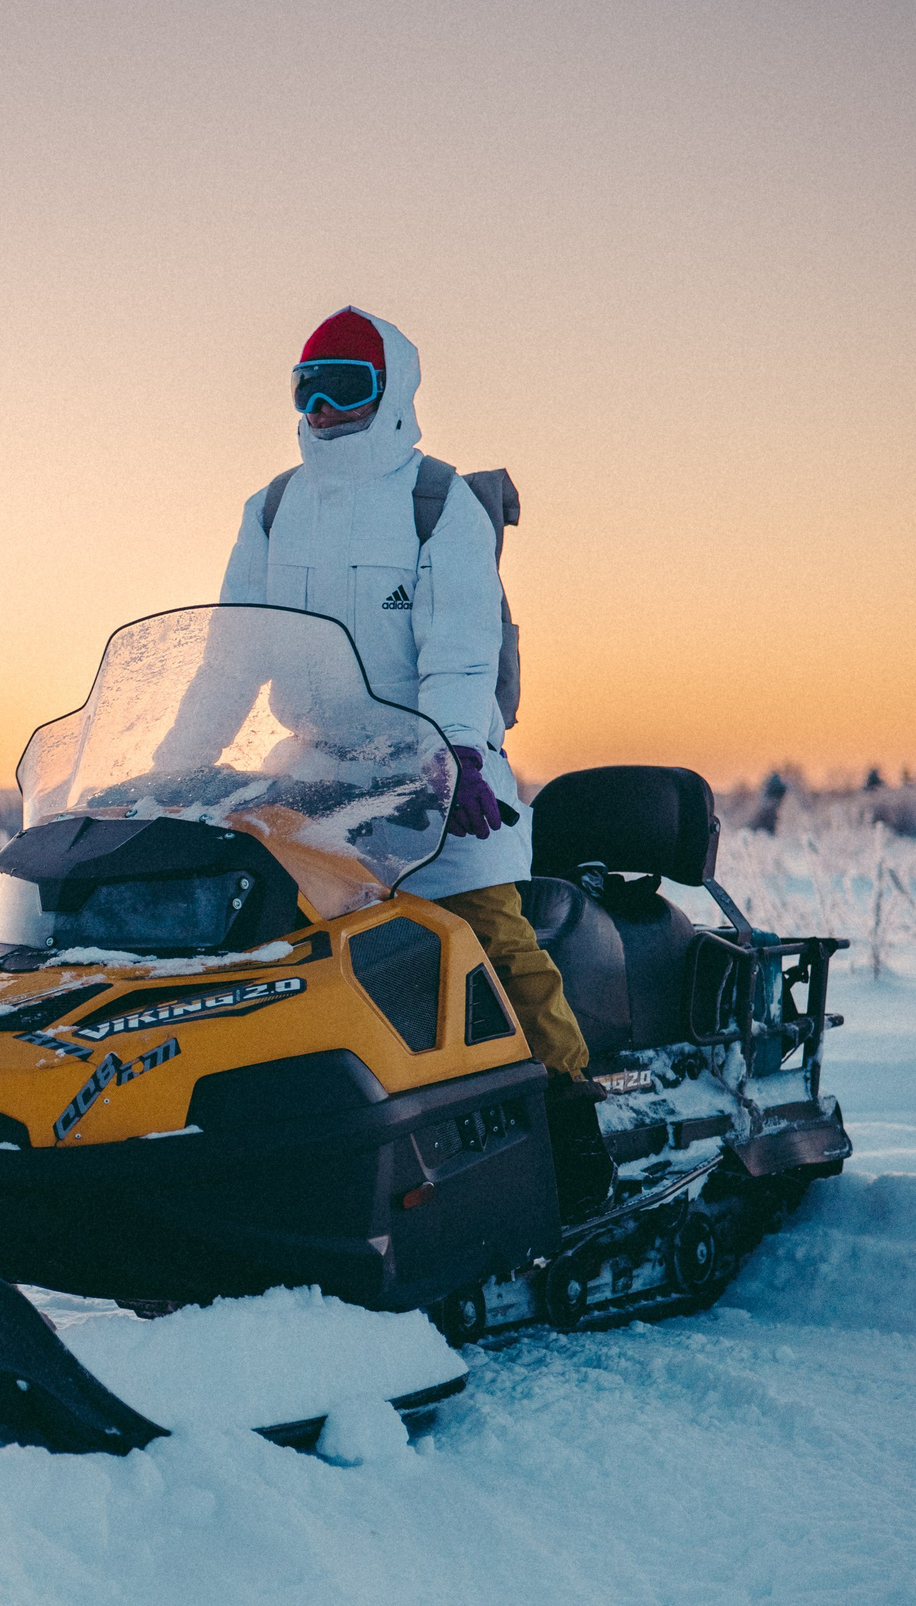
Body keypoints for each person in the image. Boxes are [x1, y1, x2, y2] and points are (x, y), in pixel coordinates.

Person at [218, 306, 593, 1086]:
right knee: (265, 944)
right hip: (319, 776)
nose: (322, 410)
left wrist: (452, 752)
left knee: (489, 941)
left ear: (389, 392)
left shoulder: (437, 500)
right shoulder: (273, 509)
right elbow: (229, 656)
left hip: (438, 772)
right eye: (306, 391)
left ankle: (571, 1109)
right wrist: (167, 770)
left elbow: (460, 650)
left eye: (344, 387)